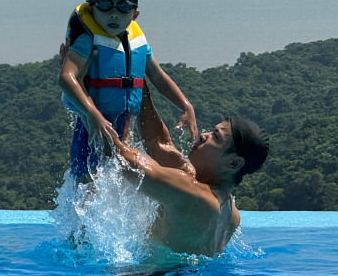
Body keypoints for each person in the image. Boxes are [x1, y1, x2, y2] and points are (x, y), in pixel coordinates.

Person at [58, 0, 197, 179]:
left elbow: (158, 77)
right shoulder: (88, 40)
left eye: (123, 7)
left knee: (123, 174)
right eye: (105, 5)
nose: (114, 13)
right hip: (93, 123)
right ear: (92, 7)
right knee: (87, 180)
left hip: (125, 121)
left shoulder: (137, 42)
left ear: (134, 14)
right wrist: (93, 115)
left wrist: (186, 105)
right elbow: (65, 77)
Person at [104, 87, 269, 256]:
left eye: (216, 137)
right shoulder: (231, 215)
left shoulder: (195, 195)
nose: (204, 135)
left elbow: (125, 160)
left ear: (234, 162)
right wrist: (140, 85)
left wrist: (93, 115)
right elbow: (159, 143)